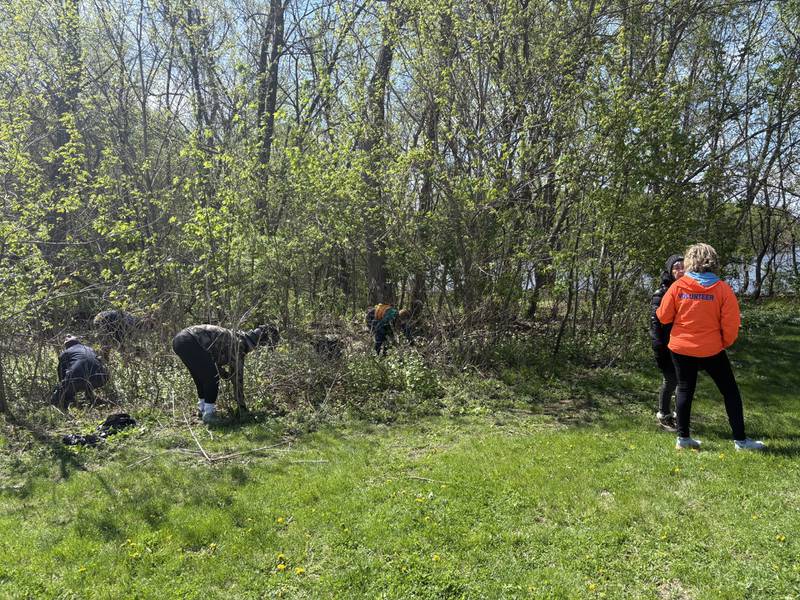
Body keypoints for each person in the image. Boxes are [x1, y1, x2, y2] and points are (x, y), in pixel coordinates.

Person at [656, 243, 765, 451]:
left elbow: (663, 315)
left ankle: (684, 439)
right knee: (730, 391)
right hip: (712, 349)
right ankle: (741, 441)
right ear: (713, 261)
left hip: (681, 348)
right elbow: (731, 324)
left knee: (685, 389)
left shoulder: (678, 287)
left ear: (689, 261)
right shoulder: (722, 289)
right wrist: (724, 342)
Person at [172, 324, 279, 422]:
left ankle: (202, 409)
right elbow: (238, 378)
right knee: (212, 378)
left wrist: (224, 373)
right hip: (190, 340)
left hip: (180, 340)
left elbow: (214, 357)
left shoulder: (235, 336)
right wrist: (241, 406)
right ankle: (209, 415)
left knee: (201, 378)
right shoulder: (239, 345)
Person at [649, 254, 684, 431]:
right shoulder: (661, 293)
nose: (680, 270)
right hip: (665, 345)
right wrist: (658, 346)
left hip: (683, 344)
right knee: (670, 380)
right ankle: (664, 414)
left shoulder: (690, 290)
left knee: (683, 381)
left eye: (682, 267)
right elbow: (655, 323)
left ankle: (680, 415)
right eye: (676, 268)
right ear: (670, 271)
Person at [50, 335, 108, 410]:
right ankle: (91, 399)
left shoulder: (66, 353)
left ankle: (64, 408)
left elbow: (61, 373)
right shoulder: (89, 349)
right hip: (101, 377)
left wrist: (62, 388)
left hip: (78, 380)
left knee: (57, 398)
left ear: (66, 345)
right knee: (86, 380)